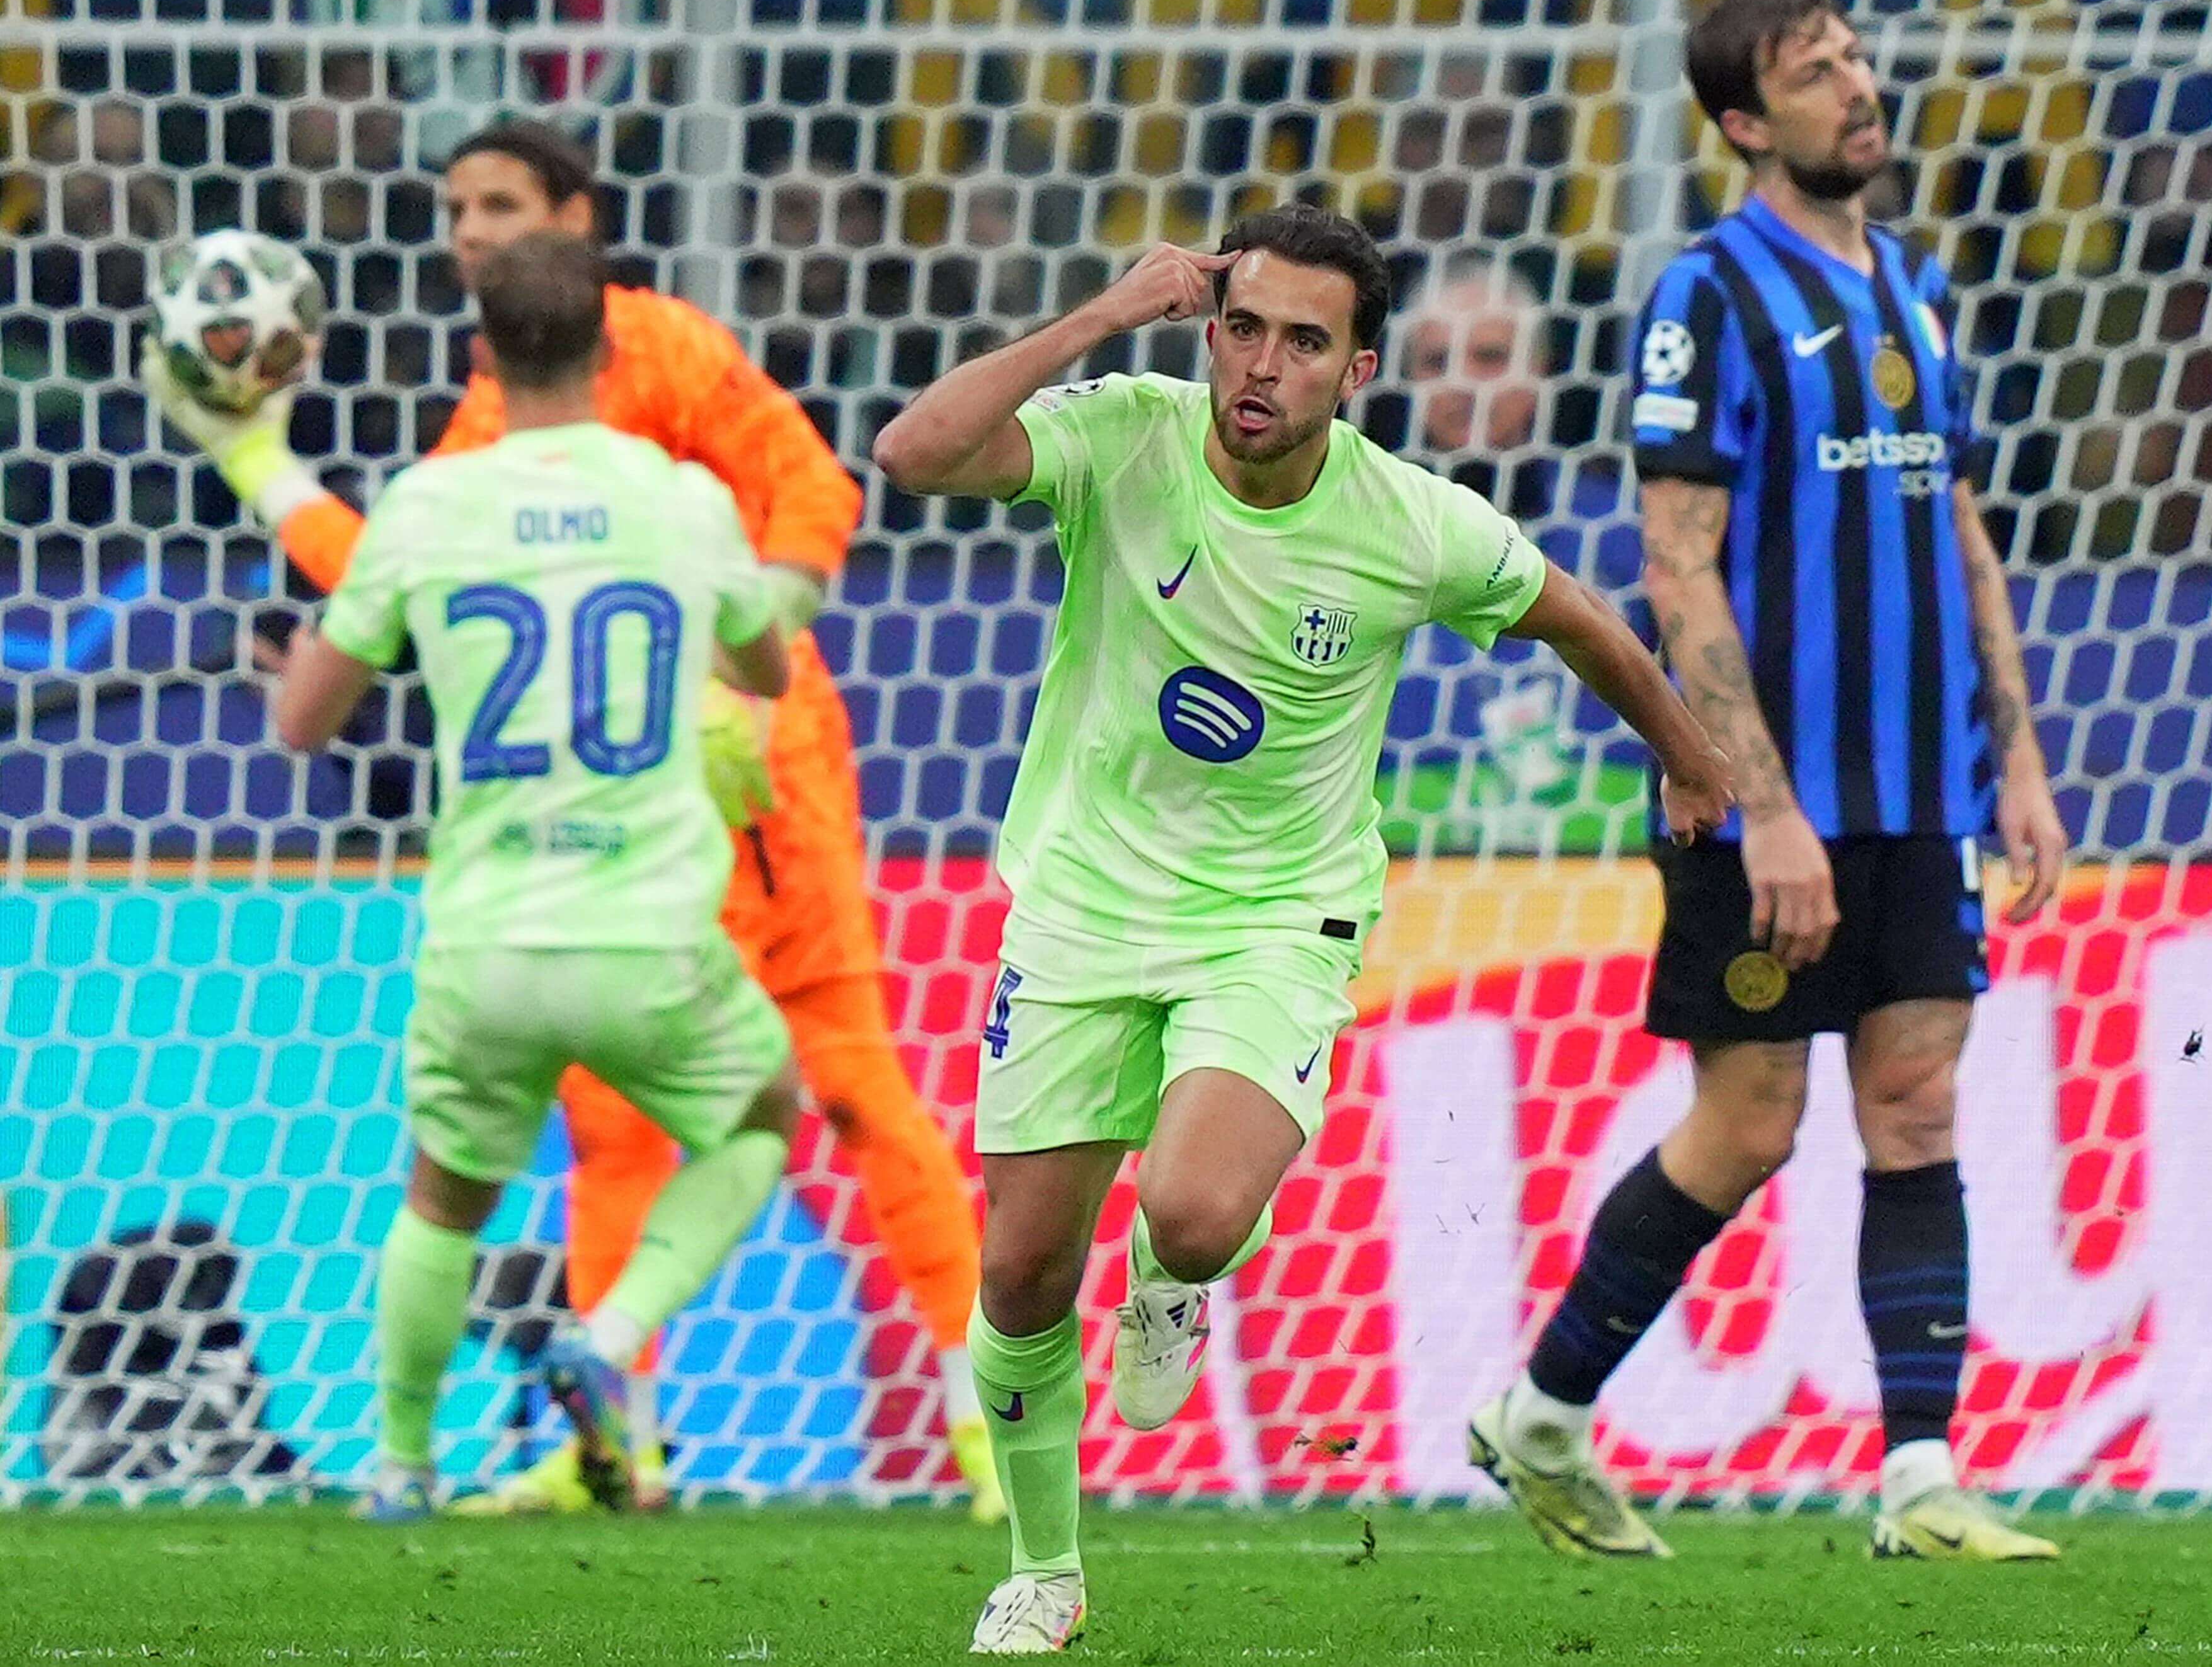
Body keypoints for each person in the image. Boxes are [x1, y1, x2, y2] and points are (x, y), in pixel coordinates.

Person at [871, 201, 1736, 1653]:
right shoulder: (1123, 434)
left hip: (1276, 916)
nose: (1263, 364)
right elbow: (910, 454)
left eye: (1305, 342)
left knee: (1196, 1213)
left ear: (1359, 371)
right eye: (1244, 327)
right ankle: (1044, 1567)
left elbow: (1577, 615)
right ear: (1207, 330)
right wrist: (1097, 315)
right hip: (1081, 905)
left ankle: (1170, 1271)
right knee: (1019, 1270)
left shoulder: (1409, 523)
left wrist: (1691, 753)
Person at [145, 117, 1002, 1521]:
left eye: (498, 204)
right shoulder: (494, 415)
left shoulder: (663, 348)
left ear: (575, 217)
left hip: (754, 772)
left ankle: (986, 1434)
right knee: (611, 1128)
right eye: (454, 208)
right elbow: (401, 578)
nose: (471, 230)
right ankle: (622, 1440)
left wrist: (748, 682)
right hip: (632, 810)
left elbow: (814, 493)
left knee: (850, 1084)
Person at [1466, 0, 2073, 1564]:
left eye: (1860, 59)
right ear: (1744, 121)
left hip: (1922, 789)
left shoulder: (1918, 290)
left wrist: (2015, 758)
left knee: (1918, 1102)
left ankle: (1922, 1478)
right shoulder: (1708, 297)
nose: (1858, 88)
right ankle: (1540, 1416)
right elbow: (1679, 565)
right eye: (1817, 73)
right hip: (1775, 801)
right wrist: (1769, 807)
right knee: (1747, 1124)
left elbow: (1956, 523)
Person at [268, 232, 799, 1520]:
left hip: (490, 935)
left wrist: (330, 646)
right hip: (650, 935)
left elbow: (304, 720)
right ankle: (607, 1341)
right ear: (612, 353)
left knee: (442, 1195)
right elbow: (769, 668)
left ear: (483, 359)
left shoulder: (427, 505)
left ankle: (399, 1465)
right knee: (766, 1114)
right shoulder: (685, 501)